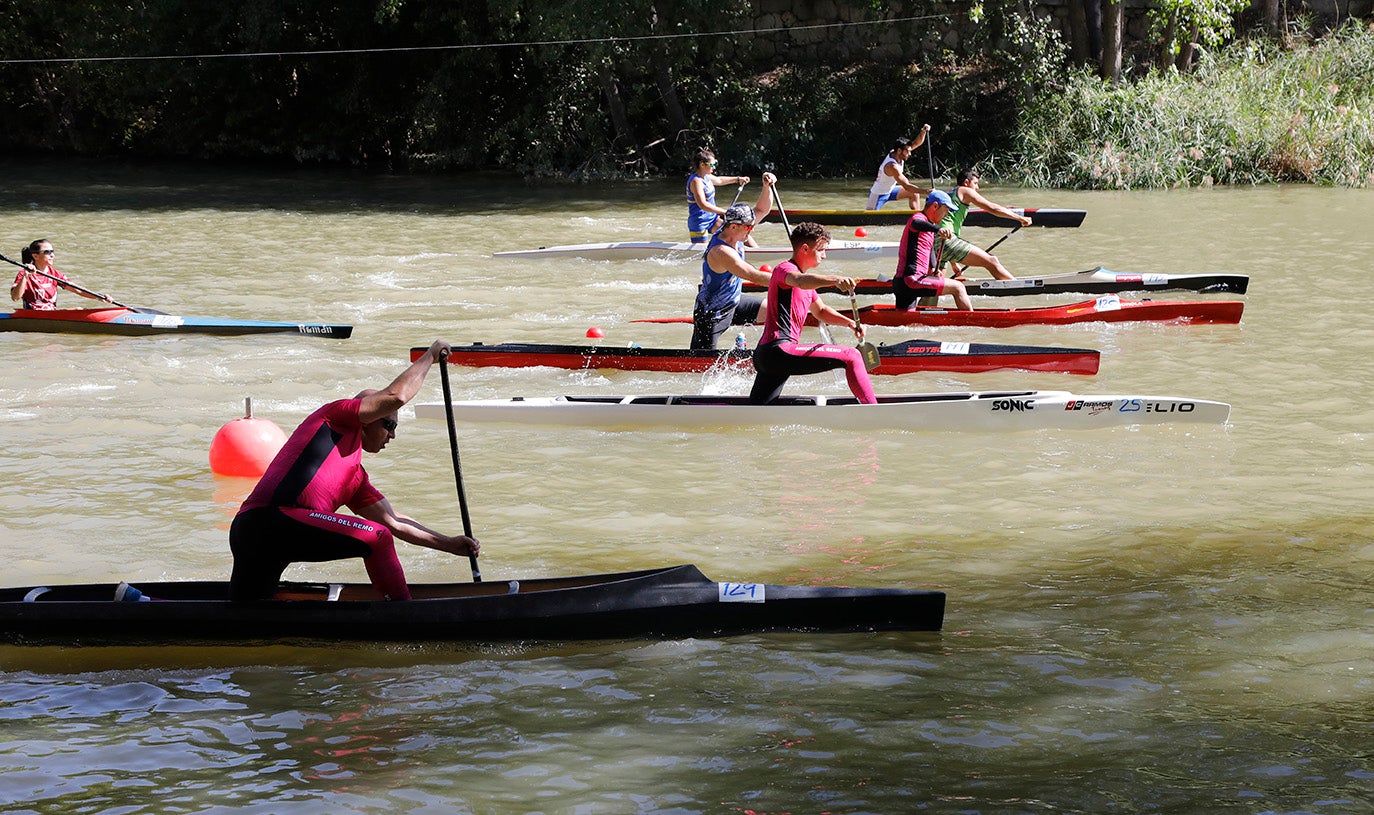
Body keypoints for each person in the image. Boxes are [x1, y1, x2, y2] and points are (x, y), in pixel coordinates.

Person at [229, 340, 480, 602]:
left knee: (243, 617)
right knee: (376, 538)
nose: (392, 435)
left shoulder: (355, 477)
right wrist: (430, 355)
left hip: (258, 535)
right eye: (389, 424)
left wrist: (448, 544)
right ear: (368, 418)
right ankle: (405, 616)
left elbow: (394, 521)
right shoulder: (337, 416)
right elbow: (397, 396)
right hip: (267, 521)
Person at [749, 222, 877, 406]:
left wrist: (850, 323)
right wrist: (835, 280)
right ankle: (872, 410)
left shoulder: (808, 283)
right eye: (821, 250)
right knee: (852, 356)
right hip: (778, 350)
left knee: (758, 412)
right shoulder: (784, 270)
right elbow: (799, 281)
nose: (824, 255)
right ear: (805, 249)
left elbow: (821, 311)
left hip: (771, 357)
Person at [690, 203, 774, 350]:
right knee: (700, 368)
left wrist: (767, 186)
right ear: (734, 227)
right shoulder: (721, 251)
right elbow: (752, 275)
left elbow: (762, 209)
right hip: (712, 314)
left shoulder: (734, 233)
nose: (751, 230)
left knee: (775, 311)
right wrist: (790, 281)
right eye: (748, 227)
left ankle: (766, 350)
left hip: (734, 302)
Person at [939, 168, 1031, 281]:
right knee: (992, 261)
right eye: (975, 183)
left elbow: (946, 223)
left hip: (938, 241)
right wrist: (1020, 218)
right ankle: (1017, 286)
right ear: (966, 182)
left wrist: (953, 263)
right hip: (946, 240)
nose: (977, 188)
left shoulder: (950, 193)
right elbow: (992, 208)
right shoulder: (965, 190)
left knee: (936, 286)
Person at [892, 189, 973, 311]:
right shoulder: (919, 218)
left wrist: (934, 268)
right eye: (946, 210)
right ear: (935, 206)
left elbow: (929, 250)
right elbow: (916, 223)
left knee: (908, 323)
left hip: (902, 283)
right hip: (913, 279)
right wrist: (938, 229)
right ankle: (971, 322)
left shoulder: (928, 229)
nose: (946, 215)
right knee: (958, 287)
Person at [686, 148, 775, 245]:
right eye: (712, 165)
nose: (714, 167)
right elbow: (703, 204)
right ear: (702, 165)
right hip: (699, 222)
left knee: (737, 233)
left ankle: (755, 250)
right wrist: (725, 212)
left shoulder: (707, 177)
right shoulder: (696, 181)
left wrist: (738, 179)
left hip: (713, 219)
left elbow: (719, 180)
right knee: (702, 252)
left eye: (715, 164)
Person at [9, 239, 112, 310]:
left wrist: (99, 297)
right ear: (35, 256)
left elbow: (78, 290)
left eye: (52, 251)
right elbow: (15, 298)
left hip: (51, 315)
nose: (52, 255)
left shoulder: (54, 274)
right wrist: (26, 277)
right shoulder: (24, 273)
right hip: (33, 316)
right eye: (48, 252)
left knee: (79, 310)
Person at [866, 126, 931, 210]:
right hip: (878, 194)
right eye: (907, 151)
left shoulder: (897, 153)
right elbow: (907, 186)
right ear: (899, 151)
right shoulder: (892, 166)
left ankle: (917, 219)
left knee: (914, 194)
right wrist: (926, 191)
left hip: (891, 190)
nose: (910, 154)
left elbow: (916, 143)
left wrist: (923, 132)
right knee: (869, 221)